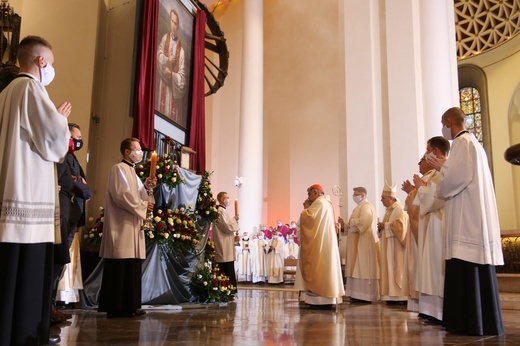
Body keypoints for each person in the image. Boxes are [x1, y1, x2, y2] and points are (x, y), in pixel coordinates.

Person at [0, 35, 71, 345]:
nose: (51, 69)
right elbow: (54, 144)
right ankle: (25, 335)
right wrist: (60, 119)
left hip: (9, 193)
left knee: (8, 275)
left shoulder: (6, 92)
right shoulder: (31, 87)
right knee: (27, 274)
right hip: (27, 200)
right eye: (51, 63)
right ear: (41, 61)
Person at [433, 107, 504, 335]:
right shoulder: (475, 144)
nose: (443, 129)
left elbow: (453, 180)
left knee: (465, 265)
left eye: (443, 123)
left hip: (467, 219)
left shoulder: (462, 144)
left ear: (450, 121)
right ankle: (482, 321)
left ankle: (466, 322)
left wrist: (441, 169)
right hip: (474, 215)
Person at [98, 138, 155, 318]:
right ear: (127, 152)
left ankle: (130, 304)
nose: (140, 152)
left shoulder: (132, 171)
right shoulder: (118, 169)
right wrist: (143, 206)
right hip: (121, 225)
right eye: (137, 149)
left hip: (132, 225)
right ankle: (116, 306)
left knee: (131, 265)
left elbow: (138, 194)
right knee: (120, 264)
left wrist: (146, 187)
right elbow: (122, 196)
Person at [406, 136, 450, 323]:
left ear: (437, 152)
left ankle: (438, 311)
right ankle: (430, 310)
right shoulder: (434, 174)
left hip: (439, 226)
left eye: (427, 150)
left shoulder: (444, 171)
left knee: (436, 269)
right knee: (429, 269)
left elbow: (436, 199)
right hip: (430, 225)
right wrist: (416, 191)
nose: (424, 155)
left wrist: (421, 189)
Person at [295, 184, 345, 307]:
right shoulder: (327, 204)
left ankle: (320, 299)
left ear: (316, 193)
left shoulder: (319, 203)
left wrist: (305, 209)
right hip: (323, 242)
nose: (308, 197)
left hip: (319, 245)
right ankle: (324, 298)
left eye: (309, 194)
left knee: (318, 268)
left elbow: (309, 219)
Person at [338, 187, 380, 303]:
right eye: (353, 194)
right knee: (356, 268)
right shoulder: (358, 208)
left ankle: (365, 295)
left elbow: (365, 221)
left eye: (356, 194)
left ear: (363, 195)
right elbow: (351, 226)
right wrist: (344, 225)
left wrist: (350, 223)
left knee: (362, 268)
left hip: (364, 244)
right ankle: (355, 294)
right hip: (356, 244)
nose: (354, 196)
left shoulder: (366, 207)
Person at [377, 182, 409, 304]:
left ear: (390, 198)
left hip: (396, 247)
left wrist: (385, 225)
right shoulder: (388, 211)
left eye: (383, 198)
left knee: (396, 269)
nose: (381, 200)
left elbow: (401, 226)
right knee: (388, 269)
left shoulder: (399, 209)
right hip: (387, 246)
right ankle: (390, 295)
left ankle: (399, 296)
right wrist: (381, 227)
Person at [157, 9, 187, 125]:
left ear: (178, 26)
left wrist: (173, 75)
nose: (173, 26)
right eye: (172, 22)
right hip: (163, 85)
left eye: (176, 23)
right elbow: (158, 55)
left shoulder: (182, 51)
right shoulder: (165, 39)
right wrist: (167, 59)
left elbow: (183, 79)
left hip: (173, 90)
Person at [213, 191, 239, 289]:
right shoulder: (220, 210)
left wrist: (234, 237)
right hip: (222, 243)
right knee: (224, 266)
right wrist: (234, 219)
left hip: (226, 242)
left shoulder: (223, 210)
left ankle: (229, 288)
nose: (228, 199)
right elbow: (226, 227)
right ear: (221, 199)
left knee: (228, 264)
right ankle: (225, 287)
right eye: (226, 197)